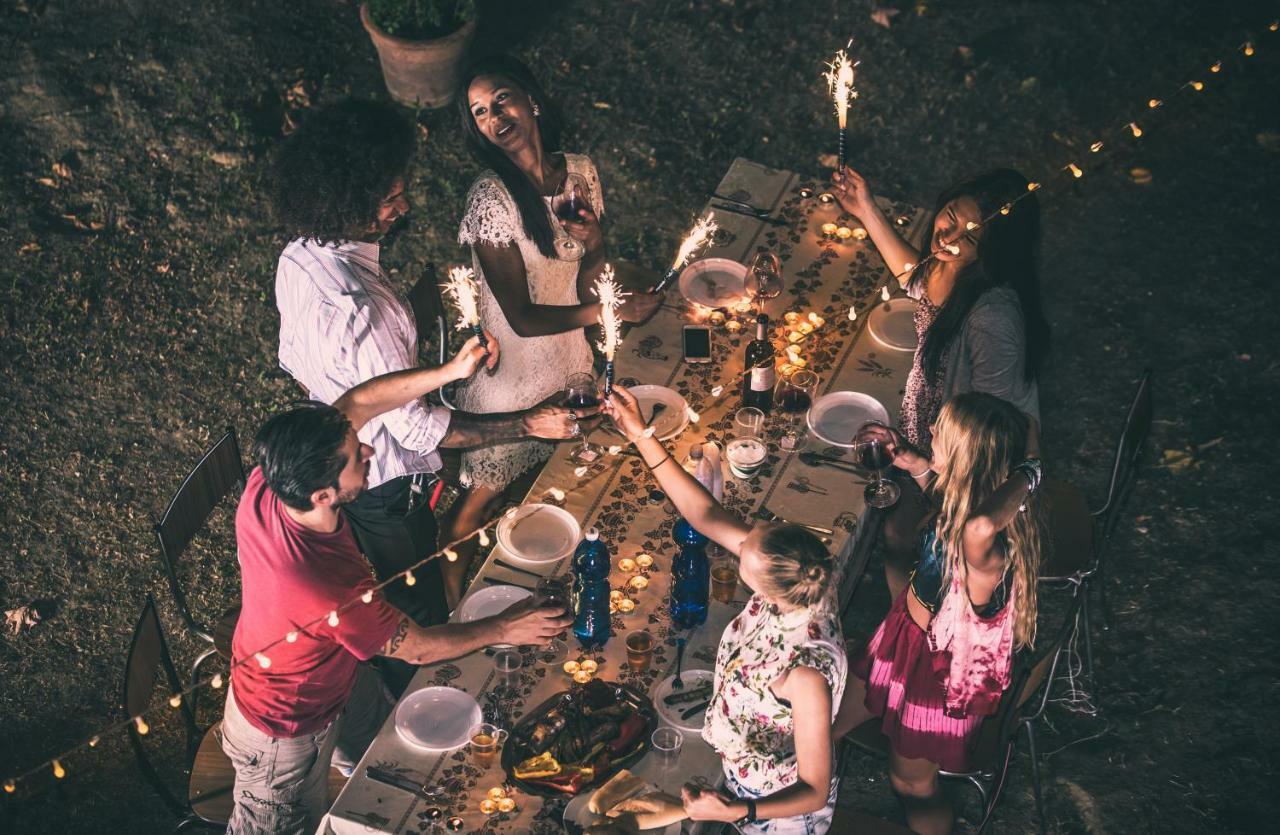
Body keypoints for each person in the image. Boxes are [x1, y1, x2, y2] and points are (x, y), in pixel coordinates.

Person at [221, 336, 575, 835]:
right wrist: (506, 627)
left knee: (383, 768)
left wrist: (450, 371)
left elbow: (361, 401)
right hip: (285, 731)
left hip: (342, 673)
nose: (368, 448)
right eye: (355, 456)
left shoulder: (270, 485)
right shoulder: (325, 588)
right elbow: (420, 648)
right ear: (325, 494)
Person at [270, 98, 588, 622]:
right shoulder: (365, 313)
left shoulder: (299, 253)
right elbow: (423, 434)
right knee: (415, 598)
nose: (405, 207)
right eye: (391, 199)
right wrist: (529, 423)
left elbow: (305, 358)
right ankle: (423, 678)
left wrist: (433, 366)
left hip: (336, 448)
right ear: (348, 203)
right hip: (383, 484)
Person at [446, 55, 661, 579]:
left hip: (571, 361)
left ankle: (545, 576)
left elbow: (587, 276)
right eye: (478, 113)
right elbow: (519, 318)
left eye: (500, 100)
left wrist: (595, 244)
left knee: (575, 479)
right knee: (472, 512)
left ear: (530, 99)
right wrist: (608, 308)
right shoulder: (491, 201)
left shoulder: (579, 172)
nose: (494, 117)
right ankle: (451, 599)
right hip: (513, 376)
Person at [602, 386, 846, 834]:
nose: (736, 542)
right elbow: (705, 513)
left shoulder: (806, 675)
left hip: (777, 809)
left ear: (767, 590)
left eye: (743, 555)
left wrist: (736, 813)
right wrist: (640, 434)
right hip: (742, 773)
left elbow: (813, 785)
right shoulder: (803, 573)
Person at [831, 166, 1050, 599]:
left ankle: (921, 631)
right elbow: (917, 277)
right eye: (949, 215)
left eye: (967, 237)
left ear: (991, 250)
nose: (946, 237)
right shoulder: (954, 268)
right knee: (897, 533)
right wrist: (865, 208)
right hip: (929, 439)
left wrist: (940, 474)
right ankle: (905, 620)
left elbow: (997, 424)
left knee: (906, 535)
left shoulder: (994, 319)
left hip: (966, 462)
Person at [831, 393, 1044, 835]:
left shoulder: (986, 547)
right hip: (901, 640)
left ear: (967, 459)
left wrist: (1030, 470)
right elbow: (957, 504)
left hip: (936, 677)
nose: (929, 434)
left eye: (939, 434)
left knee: (910, 783)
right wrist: (917, 465)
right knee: (823, 719)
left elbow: (976, 527)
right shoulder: (968, 503)